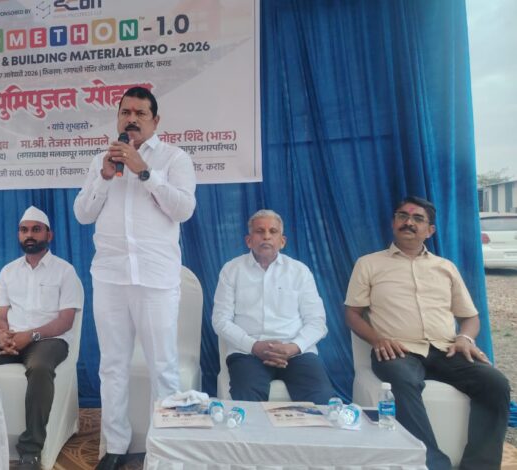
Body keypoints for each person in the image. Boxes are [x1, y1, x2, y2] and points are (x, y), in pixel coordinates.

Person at [73, 86, 196, 469]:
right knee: (112, 365)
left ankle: (167, 453)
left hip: (156, 278)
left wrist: (145, 172)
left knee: (163, 366)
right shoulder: (101, 161)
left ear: (155, 121)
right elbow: (83, 214)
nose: (131, 119)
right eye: (125, 112)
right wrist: (104, 177)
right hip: (110, 277)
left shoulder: (174, 158)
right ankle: (115, 447)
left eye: (140, 113)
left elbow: (183, 209)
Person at [345, 196, 510, 470]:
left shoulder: (445, 267)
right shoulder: (369, 264)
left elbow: (470, 317)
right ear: (393, 223)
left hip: (446, 349)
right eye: (402, 216)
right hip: (398, 350)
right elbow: (351, 313)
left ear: (430, 230)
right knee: (403, 380)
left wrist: (465, 338)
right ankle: (432, 464)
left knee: (495, 383)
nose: (408, 222)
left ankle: (478, 466)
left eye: (417, 218)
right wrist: (377, 339)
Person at [0, 206, 83, 470]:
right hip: (10, 338)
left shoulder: (65, 271)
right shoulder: (8, 271)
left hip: (49, 340)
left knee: (40, 368)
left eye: (36, 230)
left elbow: (65, 321)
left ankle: (31, 450)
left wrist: (30, 336)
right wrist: (1, 334)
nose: (29, 235)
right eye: (24, 230)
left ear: (49, 235)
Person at [213, 209, 334, 403]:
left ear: (282, 241)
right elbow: (220, 321)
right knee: (247, 398)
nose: (267, 236)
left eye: (273, 231)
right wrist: (254, 346)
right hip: (248, 352)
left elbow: (317, 322)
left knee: (322, 396)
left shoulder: (299, 271)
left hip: (296, 352)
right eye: (260, 231)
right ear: (248, 240)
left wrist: (293, 347)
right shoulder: (231, 270)